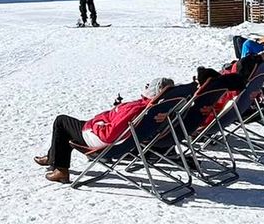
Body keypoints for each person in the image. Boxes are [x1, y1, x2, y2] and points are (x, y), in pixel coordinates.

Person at [35, 79, 174, 184]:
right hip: (113, 136)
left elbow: (109, 135)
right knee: (69, 127)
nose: (146, 86)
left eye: (149, 86)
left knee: (61, 122)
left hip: (102, 141)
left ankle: (61, 170)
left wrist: (97, 124)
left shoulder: (137, 110)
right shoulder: (156, 108)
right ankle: (53, 158)